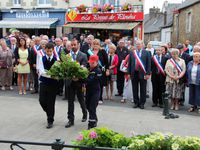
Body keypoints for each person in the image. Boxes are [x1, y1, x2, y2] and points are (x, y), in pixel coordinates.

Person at [65, 39, 88, 128]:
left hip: (79, 82)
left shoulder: (83, 55)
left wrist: (78, 76)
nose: (73, 46)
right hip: (70, 82)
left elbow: (84, 67)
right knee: (70, 101)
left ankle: (85, 113)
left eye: (75, 45)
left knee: (81, 99)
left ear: (78, 45)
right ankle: (70, 119)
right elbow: (65, 68)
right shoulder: (67, 56)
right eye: (72, 45)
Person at [38, 43, 59, 129]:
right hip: (44, 82)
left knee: (51, 102)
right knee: (42, 100)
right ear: (45, 50)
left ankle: (50, 120)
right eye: (47, 51)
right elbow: (42, 71)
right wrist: (51, 75)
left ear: (53, 50)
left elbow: (58, 71)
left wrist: (54, 75)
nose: (49, 52)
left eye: (50, 51)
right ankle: (49, 112)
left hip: (53, 84)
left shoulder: (56, 59)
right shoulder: (41, 58)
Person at [127, 40, 151, 109]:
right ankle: (136, 102)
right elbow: (130, 64)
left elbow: (148, 64)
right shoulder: (132, 53)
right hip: (134, 73)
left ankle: (142, 103)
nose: (138, 45)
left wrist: (148, 73)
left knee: (143, 89)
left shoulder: (147, 53)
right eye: (137, 44)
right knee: (134, 88)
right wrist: (128, 73)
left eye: (139, 44)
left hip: (143, 73)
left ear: (142, 45)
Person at [88, 39, 109, 104]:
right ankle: (92, 97)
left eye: (97, 44)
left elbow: (106, 61)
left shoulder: (102, 51)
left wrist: (107, 70)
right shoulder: (90, 51)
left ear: (99, 45)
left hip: (101, 70)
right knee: (91, 83)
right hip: (91, 70)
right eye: (94, 44)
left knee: (100, 85)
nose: (95, 45)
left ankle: (100, 98)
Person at [86, 55, 102, 129]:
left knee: (92, 107)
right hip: (88, 91)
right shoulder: (88, 68)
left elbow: (91, 81)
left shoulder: (98, 70)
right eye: (90, 63)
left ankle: (91, 124)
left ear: (96, 62)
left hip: (95, 91)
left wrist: (82, 79)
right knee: (88, 106)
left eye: (93, 63)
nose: (91, 64)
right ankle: (95, 119)